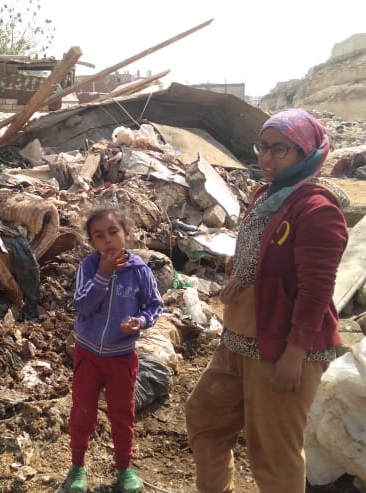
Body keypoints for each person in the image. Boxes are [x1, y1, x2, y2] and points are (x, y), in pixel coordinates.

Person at [185, 108, 350, 493]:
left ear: (306, 153)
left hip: (284, 345)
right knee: (205, 417)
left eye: (280, 150)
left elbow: (316, 290)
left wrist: (295, 354)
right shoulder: (269, 195)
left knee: (274, 454)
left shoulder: (318, 210)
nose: (266, 158)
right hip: (240, 334)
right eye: (262, 147)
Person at [63, 209, 165, 493]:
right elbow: (82, 305)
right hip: (88, 354)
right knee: (83, 412)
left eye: (113, 232)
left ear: (127, 234)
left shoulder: (140, 271)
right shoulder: (89, 266)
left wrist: (140, 322)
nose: (108, 240)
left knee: (122, 413)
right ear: (92, 242)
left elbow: (154, 305)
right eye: (99, 236)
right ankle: (77, 467)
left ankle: (124, 468)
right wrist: (104, 275)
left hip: (122, 356)